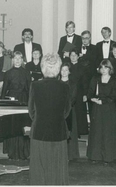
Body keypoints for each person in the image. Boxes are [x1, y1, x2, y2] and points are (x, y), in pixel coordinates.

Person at [29, 53, 70, 185]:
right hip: (59, 132)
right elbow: (67, 111)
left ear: (43, 68)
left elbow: (31, 111)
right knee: (57, 168)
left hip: (39, 132)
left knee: (39, 169)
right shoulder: (65, 86)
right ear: (58, 68)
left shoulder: (35, 85)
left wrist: (40, 119)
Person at [87, 59, 116, 164]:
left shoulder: (114, 80)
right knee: (97, 131)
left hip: (108, 109)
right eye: (102, 67)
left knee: (107, 132)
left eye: (106, 67)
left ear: (110, 68)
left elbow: (115, 95)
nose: (104, 70)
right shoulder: (95, 78)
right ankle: (95, 156)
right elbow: (90, 93)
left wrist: (103, 101)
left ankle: (108, 157)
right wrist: (92, 99)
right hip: (97, 109)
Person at [1, 51, 31, 160]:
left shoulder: (27, 72)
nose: (18, 60)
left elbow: (30, 89)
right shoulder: (8, 73)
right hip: (12, 101)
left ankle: (24, 152)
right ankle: (12, 151)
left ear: (22, 60)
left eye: (20, 58)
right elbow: (4, 90)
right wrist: (3, 103)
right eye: (15, 58)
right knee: (13, 126)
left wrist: (30, 103)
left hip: (24, 101)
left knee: (23, 125)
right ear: (12, 60)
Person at [58, 62, 79, 161]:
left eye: (66, 70)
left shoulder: (73, 84)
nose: (64, 72)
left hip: (69, 110)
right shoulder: (56, 83)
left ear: (69, 71)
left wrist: (65, 107)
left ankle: (70, 155)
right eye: (62, 70)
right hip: (57, 111)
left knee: (70, 132)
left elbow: (73, 98)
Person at [69, 49, 89, 135]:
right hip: (69, 92)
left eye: (75, 55)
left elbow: (85, 81)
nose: (73, 57)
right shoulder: (66, 67)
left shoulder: (82, 67)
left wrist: (85, 94)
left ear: (78, 56)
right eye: (71, 55)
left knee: (79, 111)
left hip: (80, 92)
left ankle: (80, 130)